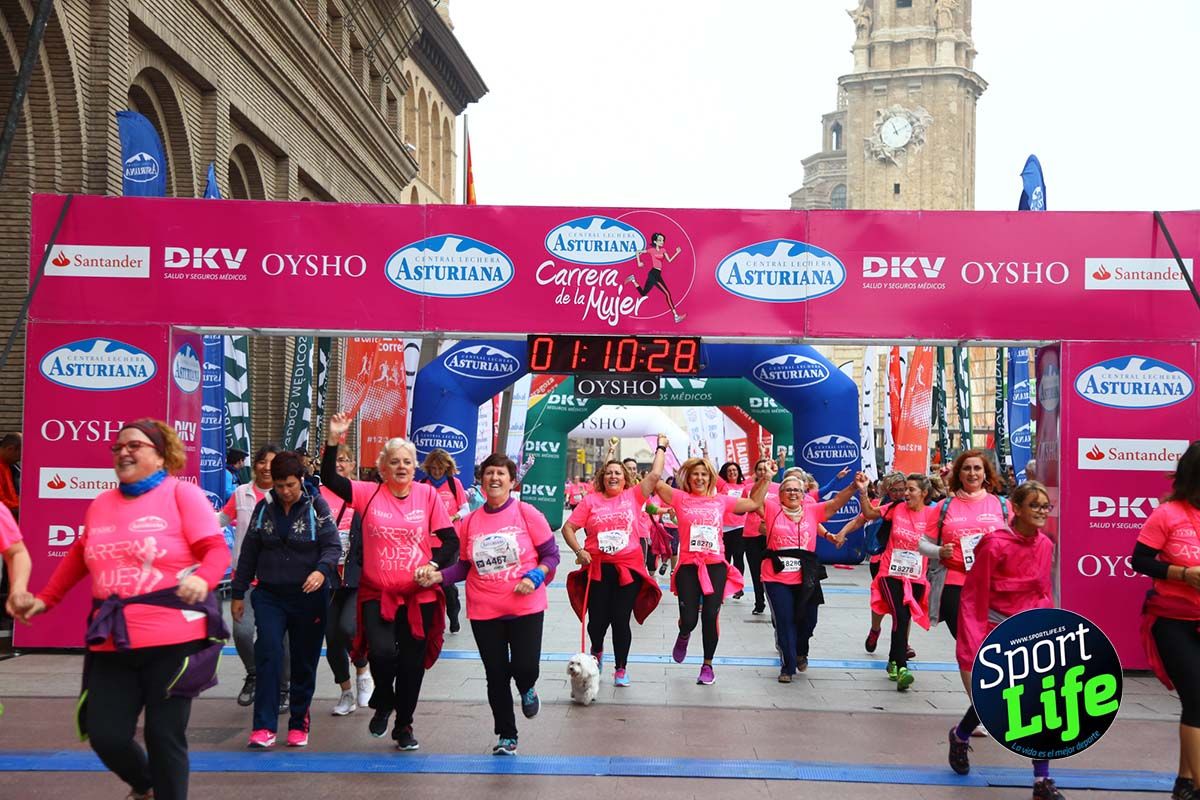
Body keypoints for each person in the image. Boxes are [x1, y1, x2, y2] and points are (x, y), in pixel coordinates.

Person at [14, 419, 229, 800]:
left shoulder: (181, 494)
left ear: (161, 455)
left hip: (174, 639)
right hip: (113, 640)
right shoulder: (101, 503)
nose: (123, 452)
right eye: (118, 447)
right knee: (105, 734)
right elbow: (79, 557)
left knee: (164, 736)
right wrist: (44, 599)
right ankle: (145, 784)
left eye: (135, 445)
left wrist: (204, 579)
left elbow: (215, 549)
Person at [321, 412, 457, 751]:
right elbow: (329, 479)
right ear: (383, 467)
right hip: (376, 594)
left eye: (407, 461)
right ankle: (384, 701)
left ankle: (404, 725)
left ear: (415, 467)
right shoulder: (367, 493)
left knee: (412, 663)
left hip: (418, 596)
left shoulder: (427, 497)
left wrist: (433, 563)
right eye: (394, 461)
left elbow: (451, 542)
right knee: (380, 653)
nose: (401, 466)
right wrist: (334, 440)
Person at [418, 453, 560, 755]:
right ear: (481, 481)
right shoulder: (469, 522)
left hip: (525, 606)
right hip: (485, 609)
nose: (494, 478)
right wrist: (438, 577)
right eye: (489, 473)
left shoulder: (527, 513)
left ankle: (527, 687)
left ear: (512, 480)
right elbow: (465, 566)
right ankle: (507, 735)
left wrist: (536, 575)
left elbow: (551, 555)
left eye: (501, 473)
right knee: (495, 674)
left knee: (524, 667)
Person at [948, 481, 1060, 799]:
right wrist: (972, 642)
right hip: (994, 629)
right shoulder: (994, 544)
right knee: (993, 702)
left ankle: (1042, 781)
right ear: (1017, 508)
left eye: (1045, 506)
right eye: (1035, 505)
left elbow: (1042, 591)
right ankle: (960, 735)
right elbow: (974, 595)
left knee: (1042, 703)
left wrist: (1047, 629)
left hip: (1028, 632)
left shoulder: (1046, 545)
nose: (1041, 511)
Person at [232, 451, 340, 748]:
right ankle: (264, 726)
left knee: (304, 661)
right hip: (270, 594)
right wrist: (239, 593)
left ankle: (298, 722)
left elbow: (332, 546)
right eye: (279, 486)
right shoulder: (263, 509)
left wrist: (321, 571)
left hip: (309, 596)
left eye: (290, 484)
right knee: (268, 651)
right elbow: (249, 553)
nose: (284, 491)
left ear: (301, 480)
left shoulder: (317, 506)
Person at [654, 455, 771, 684]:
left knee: (710, 615)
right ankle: (684, 633)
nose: (699, 478)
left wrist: (766, 478)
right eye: (695, 474)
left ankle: (707, 665)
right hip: (689, 565)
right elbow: (655, 480)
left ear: (711, 478)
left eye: (704, 474)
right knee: (689, 619)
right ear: (688, 477)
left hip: (715, 565)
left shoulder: (721, 500)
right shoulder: (679, 497)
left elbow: (754, 504)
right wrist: (661, 449)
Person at [561, 436, 667, 686]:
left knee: (621, 619)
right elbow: (568, 528)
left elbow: (654, 475)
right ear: (602, 477)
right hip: (597, 570)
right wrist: (579, 551)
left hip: (627, 571)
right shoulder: (591, 501)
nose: (613, 476)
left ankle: (621, 668)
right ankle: (597, 652)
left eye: (617, 473)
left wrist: (661, 446)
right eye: (609, 472)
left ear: (625, 478)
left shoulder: (633, 496)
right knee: (597, 621)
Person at [1132, 441, 1200, 800]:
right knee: (1196, 697)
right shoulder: (1168, 514)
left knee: (1197, 702)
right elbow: (1139, 561)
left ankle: (1184, 781)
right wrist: (1181, 573)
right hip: (1173, 620)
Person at [761, 470, 867, 681]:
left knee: (809, 620)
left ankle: (801, 650)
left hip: (807, 572)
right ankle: (788, 666)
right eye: (788, 489)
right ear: (780, 493)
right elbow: (754, 501)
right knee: (785, 620)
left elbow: (836, 502)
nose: (792, 493)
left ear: (804, 493)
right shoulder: (772, 508)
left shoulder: (811, 510)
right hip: (776, 574)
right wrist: (765, 479)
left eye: (797, 490)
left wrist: (854, 487)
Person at [219, 444, 288, 709]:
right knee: (243, 632)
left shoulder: (286, 494)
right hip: (245, 579)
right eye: (262, 461)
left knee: (280, 640)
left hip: (279, 581)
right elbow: (221, 520)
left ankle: (284, 689)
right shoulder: (240, 494)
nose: (266, 467)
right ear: (254, 464)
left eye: (273, 463)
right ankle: (254, 674)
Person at [861, 473, 939, 690]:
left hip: (916, 575)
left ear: (924, 493)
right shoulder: (895, 508)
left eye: (911, 490)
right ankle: (903, 667)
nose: (906, 493)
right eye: (906, 489)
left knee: (903, 618)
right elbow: (868, 513)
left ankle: (893, 660)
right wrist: (862, 490)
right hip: (889, 572)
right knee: (900, 615)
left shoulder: (933, 514)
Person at [930, 449, 1009, 640]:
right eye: (966, 468)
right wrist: (939, 551)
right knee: (966, 640)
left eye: (977, 468)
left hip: (994, 583)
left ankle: (981, 669)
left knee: (990, 641)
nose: (972, 473)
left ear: (985, 474)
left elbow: (1016, 542)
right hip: (954, 582)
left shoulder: (1003, 505)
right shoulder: (944, 506)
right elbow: (924, 545)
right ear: (959, 474)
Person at [320, 445, 373, 716]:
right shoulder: (315, 495)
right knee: (331, 639)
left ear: (354, 464)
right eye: (335, 460)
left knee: (347, 628)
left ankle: (363, 669)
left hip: (354, 576)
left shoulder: (360, 494)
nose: (340, 464)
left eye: (345, 460)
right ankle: (345, 692)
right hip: (325, 578)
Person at [840, 471, 907, 652]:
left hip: (905, 562)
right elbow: (859, 521)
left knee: (904, 604)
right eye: (895, 490)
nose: (899, 494)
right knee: (882, 599)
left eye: (903, 490)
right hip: (880, 559)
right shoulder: (879, 506)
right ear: (887, 490)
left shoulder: (911, 507)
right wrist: (842, 533)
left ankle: (903, 643)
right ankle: (875, 629)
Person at [421, 448, 470, 634]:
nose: (436, 472)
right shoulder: (423, 484)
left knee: (447, 583)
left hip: (449, 542)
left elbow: (466, 509)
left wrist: (454, 517)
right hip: (428, 542)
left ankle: (453, 613)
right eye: (433, 468)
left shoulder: (453, 483)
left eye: (440, 468)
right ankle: (434, 620)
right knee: (430, 582)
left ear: (447, 468)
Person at [739, 458, 781, 614]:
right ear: (755, 472)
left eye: (766, 469)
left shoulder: (778, 488)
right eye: (760, 469)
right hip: (751, 534)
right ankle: (759, 602)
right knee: (756, 570)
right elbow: (742, 508)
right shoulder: (749, 488)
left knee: (772, 570)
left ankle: (774, 602)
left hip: (773, 534)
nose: (763, 472)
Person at [625, 232, 686, 323]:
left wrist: (677, 253)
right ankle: (676, 316)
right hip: (654, 274)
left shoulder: (663, 250)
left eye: (663, 240)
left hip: (656, 274)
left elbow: (669, 260)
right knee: (667, 294)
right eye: (660, 240)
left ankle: (633, 279)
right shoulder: (651, 250)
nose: (662, 242)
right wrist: (639, 262)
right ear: (655, 241)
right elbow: (638, 252)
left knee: (643, 293)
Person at [0, 433, 20, 519]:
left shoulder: (8, 465)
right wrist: (22, 509)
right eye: (19, 455)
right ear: (10, 449)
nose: (20, 459)